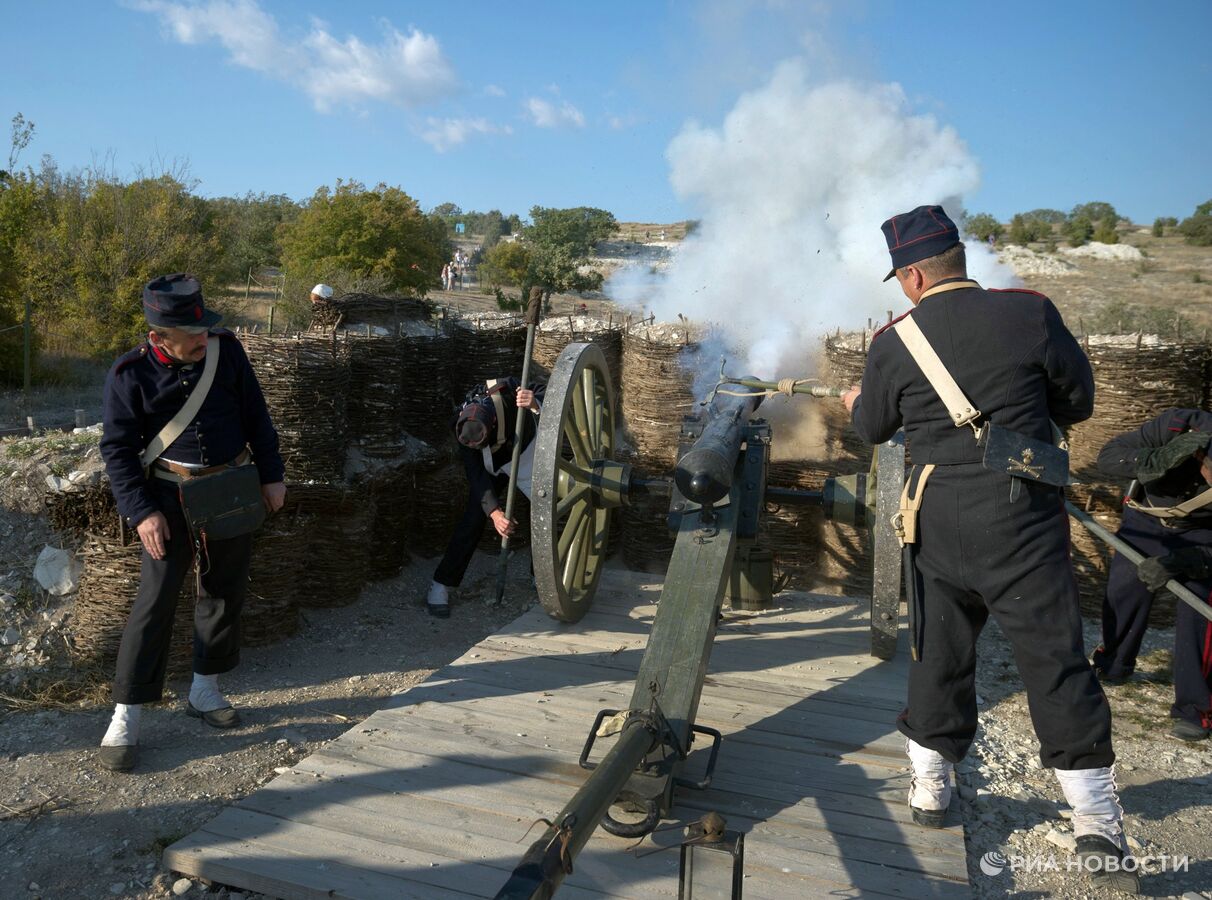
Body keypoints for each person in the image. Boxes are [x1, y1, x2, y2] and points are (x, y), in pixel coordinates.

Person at [842, 206, 1136, 891]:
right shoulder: (1031, 313)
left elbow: (875, 426)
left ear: (912, 274)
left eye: (901, 279)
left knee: (938, 648)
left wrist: (861, 397)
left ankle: (930, 788)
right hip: (1022, 515)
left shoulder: (895, 340)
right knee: (1054, 655)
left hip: (936, 514)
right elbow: (1080, 400)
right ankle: (1095, 819)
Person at [97, 274, 286, 773]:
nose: (203, 338)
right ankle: (126, 716)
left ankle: (205, 690)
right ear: (159, 337)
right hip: (167, 495)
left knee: (224, 591)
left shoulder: (227, 352)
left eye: (204, 327)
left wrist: (272, 476)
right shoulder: (129, 374)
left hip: (230, 489)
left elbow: (256, 417)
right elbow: (116, 451)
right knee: (154, 603)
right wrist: (142, 511)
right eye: (192, 333)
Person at [1093, 409, 1212, 741]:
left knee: (1198, 607)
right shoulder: (1175, 425)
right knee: (1124, 588)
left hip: (1204, 535)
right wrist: (1156, 458)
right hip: (1146, 521)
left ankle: (1196, 708)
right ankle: (1114, 663)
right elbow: (1108, 458)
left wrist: (1188, 561)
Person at [426, 377, 544, 617]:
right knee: (473, 517)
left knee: (543, 508)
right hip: (489, 467)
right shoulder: (461, 425)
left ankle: (540, 576)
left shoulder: (507, 388)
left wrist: (535, 402)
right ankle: (440, 585)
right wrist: (495, 512)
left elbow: (546, 387)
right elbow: (476, 475)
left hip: (522, 455)